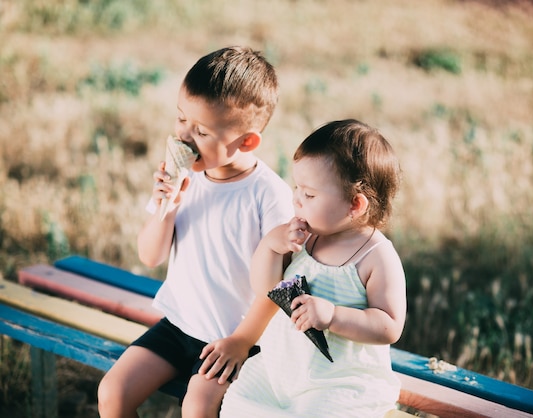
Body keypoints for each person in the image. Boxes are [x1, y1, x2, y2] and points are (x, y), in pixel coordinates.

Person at [97, 46, 294, 418]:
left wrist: (241, 342)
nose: (185, 136)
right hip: (179, 324)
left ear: (246, 141)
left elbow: (279, 286)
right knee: (112, 392)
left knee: (197, 407)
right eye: (181, 119)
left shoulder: (269, 196)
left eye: (201, 131)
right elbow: (150, 256)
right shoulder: (183, 177)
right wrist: (165, 208)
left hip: (235, 337)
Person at [219, 119, 407, 417]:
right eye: (297, 187)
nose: (296, 199)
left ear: (355, 205)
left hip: (337, 383)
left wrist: (333, 315)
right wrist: (271, 245)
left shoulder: (376, 256)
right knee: (238, 403)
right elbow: (266, 289)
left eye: (309, 194)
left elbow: (389, 326)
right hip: (280, 371)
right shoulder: (305, 236)